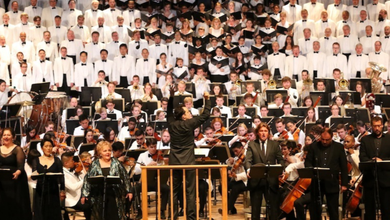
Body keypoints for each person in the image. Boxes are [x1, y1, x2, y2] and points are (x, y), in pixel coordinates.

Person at [167, 84, 211, 219]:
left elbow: (169, 111)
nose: (190, 113)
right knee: (190, 191)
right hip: (189, 162)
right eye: (187, 112)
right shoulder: (190, 123)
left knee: (173, 191)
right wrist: (207, 99)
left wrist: (172, 96)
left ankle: (172, 217)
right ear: (184, 116)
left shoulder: (171, 123)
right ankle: (191, 217)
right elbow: (206, 114)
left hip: (174, 162)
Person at [81, 141, 132, 220]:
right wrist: (84, 194)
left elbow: (125, 177)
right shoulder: (95, 164)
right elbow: (87, 180)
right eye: (105, 151)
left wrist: (129, 191)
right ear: (100, 152)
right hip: (98, 195)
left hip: (114, 194)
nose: (108, 153)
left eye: (109, 150)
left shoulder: (117, 163)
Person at [305, 127, 348, 220]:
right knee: (315, 210)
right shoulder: (314, 146)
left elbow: (344, 166)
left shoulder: (339, 147)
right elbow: (308, 162)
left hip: (332, 182)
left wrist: (344, 184)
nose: (324, 142)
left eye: (327, 140)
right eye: (323, 139)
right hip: (317, 183)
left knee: (333, 211)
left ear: (332, 137)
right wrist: (312, 169)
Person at [245, 122, 285, 220]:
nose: (263, 133)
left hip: (271, 181)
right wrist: (249, 169)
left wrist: (282, 170)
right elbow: (248, 160)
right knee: (255, 210)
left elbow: (280, 160)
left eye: (265, 131)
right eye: (261, 131)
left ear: (268, 132)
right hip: (256, 181)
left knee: (273, 210)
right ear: (257, 132)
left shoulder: (275, 145)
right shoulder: (252, 144)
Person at [359, 116, 390, 219]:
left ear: (382, 126)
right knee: (370, 210)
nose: (377, 128)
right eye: (375, 126)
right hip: (370, 180)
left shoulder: (389, 139)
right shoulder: (365, 140)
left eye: (379, 126)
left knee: (387, 209)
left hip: (386, 180)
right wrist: (372, 160)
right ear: (371, 126)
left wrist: (382, 160)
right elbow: (362, 157)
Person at [133, 138, 169, 219]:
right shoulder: (142, 156)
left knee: (166, 188)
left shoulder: (160, 156)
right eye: (151, 147)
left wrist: (163, 164)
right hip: (145, 182)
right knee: (135, 188)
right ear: (147, 147)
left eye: (155, 146)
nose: (154, 149)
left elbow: (164, 169)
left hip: (157, 182)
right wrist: (147, 166)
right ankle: (139, 211)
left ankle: (162, 210)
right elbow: (136, 171)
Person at [0, 128, 32, 220]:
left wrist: (17, 173)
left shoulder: (17, 149)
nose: (6, 137)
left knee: (15, 205)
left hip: (15, 180)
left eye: (8, 135)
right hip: (2, 181)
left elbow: (21, 166)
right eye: (4, 135)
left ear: (13, 137)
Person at [32, 138, 65, 220]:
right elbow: (33, 175)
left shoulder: (57, 160)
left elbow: (62, 177)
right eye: (46, 146)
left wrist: (62, 190)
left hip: (53, 190)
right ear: (42, 148)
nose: (48, 148)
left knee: (53, 213)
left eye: (50, 146)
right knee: (40, 213)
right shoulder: (36, 160)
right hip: (40, 190)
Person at [62, 152, 91, 220]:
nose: (74, 162)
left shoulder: (73, 171)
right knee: (89, 206)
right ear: (66, 163)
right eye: (72, 160)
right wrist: (85, 178)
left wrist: (80, 173)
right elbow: (73, 187)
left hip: (80, 197)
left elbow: (82, 181)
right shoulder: (63, 174)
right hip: (72, 200)